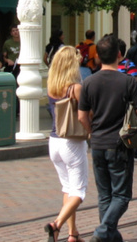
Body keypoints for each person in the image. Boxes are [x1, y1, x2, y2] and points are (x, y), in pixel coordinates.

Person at [78, 34, 137, 242]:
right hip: (120, 144)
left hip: (97, 143)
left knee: (105, 195)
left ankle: (109, 236)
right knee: (122, 195)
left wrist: (91, 133)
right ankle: (103, 232)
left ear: (98, 57)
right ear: (118, 55)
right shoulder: (128, 82)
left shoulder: (89, 82)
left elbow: (82, 116)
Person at [44, 46, 88, 242]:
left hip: (54, 141)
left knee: (67, 188)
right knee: (79, 192)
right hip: (71, 142)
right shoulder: (75, 87)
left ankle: (73, 233)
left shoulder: (51, 86)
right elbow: (85, 115)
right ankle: (57, 224)